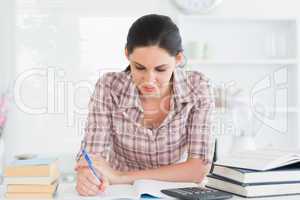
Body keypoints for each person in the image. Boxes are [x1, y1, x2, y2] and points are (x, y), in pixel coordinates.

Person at [75, 14, 215, 196]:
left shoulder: (197, 86)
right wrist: (87, 176)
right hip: (121, 193)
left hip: (174, 193)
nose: (149, 80)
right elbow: (92, 159)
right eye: (139, 67)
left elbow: (198, 169)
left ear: (178, 59)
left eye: (161, 69)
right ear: (127, 54)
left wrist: (121, 176)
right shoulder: (108, 87)